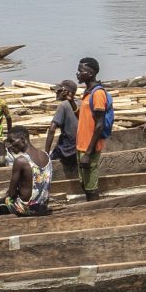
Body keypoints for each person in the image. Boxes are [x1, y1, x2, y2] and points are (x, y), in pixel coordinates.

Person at [71, 57, 114, 197]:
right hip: (82, 145)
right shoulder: (88, 92)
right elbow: (84, 118)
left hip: (90, 147)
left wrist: (88, 154)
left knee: (91, 186)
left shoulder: (98, 94)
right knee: (84, 183)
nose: (77, 74)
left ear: (90, 73)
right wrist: (71, 102)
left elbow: (99, 125)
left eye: (80, 71)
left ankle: (95, 211)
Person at [2, 130, 52, 215]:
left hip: (26, 208)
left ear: (22, 139)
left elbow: (12, 193)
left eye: (12, 141)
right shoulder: (46, 156)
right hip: (42, 206)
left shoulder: (20, 160)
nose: (10, 145)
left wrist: (9, 194)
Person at [45, 78, 79, 176]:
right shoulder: (80, 103)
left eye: (59, 90)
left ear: (66, 92)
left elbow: (52, 129)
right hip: (81, 147)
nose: (56, 92)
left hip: (69, 151)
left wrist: (46, 154)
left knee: (50, 158)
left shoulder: (63, 105)